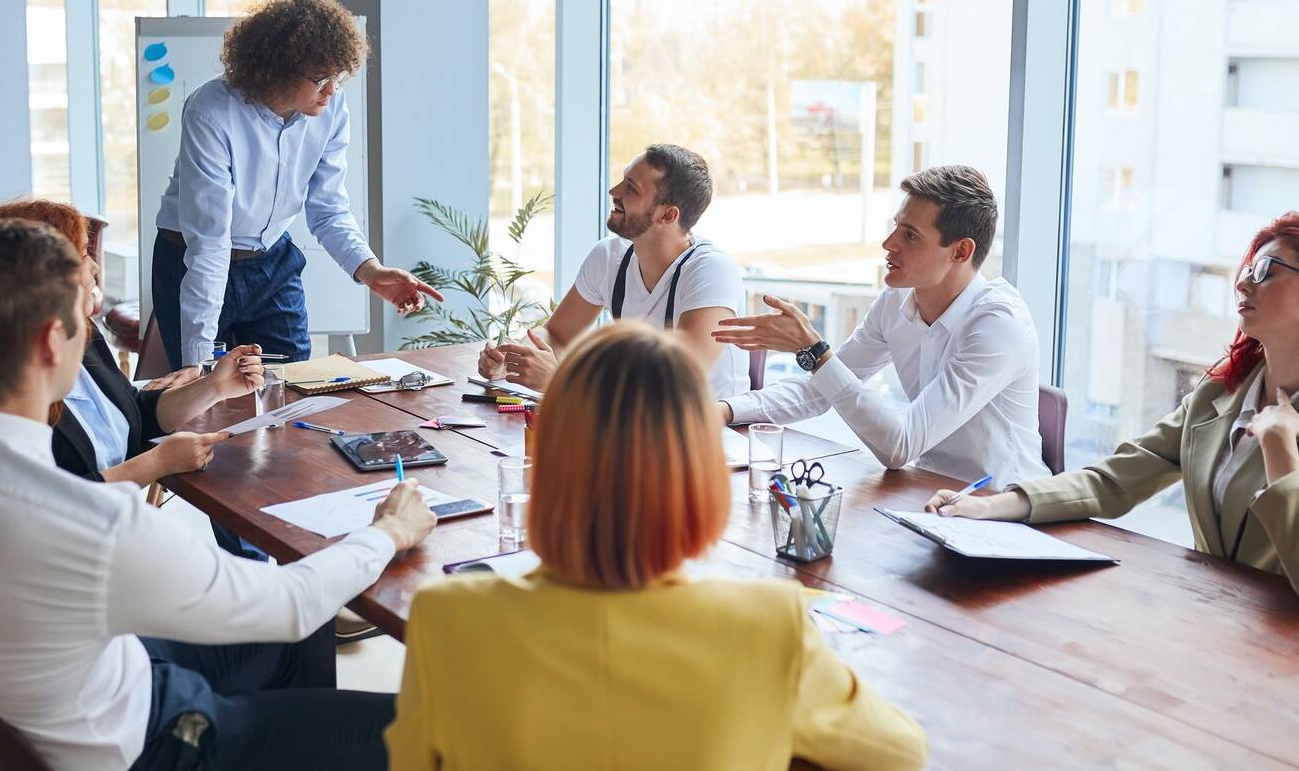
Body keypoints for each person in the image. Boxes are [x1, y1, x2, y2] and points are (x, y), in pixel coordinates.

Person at [0, 219, 438, 771]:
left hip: (83, 684)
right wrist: (389, 531)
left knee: (304, 635)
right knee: (432, 728)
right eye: (79, 317)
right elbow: (290, 602)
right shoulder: (85, 518)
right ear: (46, 343)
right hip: (154, 743)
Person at [387, 322, 927, 770]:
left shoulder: (445, 619)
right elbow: (899, 752)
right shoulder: (771, 626)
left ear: (549, 461)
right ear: (701, 475)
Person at [925, 212, 1299, 595]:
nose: (1241, 282)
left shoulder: (1274, 429)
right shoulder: (1218, 393)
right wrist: (989, 507)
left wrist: (1282, 454)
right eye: (1248, 268)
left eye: (1266, 269)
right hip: (1210, 615)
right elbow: (1113, 481)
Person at [152, 0, 442, 370]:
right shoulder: (212, 112)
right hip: (192, 258)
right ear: (279, 70)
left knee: (292, 384)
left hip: (271, 260)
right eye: (321, 79)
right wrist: (196, 368)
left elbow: (328, 209)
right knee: (209, 395)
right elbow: (209, 243)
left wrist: (370, 271)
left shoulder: (331, 108)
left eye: (337, 76)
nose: (333, 90)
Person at [713, 165, 1047, 489]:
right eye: (896, 227)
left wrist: (815, 351)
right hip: (930, 497)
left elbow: (899, 447)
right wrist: (722, 411)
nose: (889, 244)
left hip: (1007, 514)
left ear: (961, 251)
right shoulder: (896, 301)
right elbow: (819, 390)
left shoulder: (998, 324)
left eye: (911, 236)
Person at [0, 199, 260, 488]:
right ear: (43, 276)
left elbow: (135, 412)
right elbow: (50, 500)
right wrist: (156, 463)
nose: (95, 266)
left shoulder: (84, 333)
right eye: (82, 255)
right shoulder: (10, 387)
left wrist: (215, 386)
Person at [477, 144, 751, 399]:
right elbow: (559, 335)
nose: (614, 191)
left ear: (667, 215)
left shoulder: (711, 272)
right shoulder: (610, 257)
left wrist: (558, 380)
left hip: (707, 437)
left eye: (631, 189)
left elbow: (675, 385)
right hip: (630, 430)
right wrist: (513, 360)